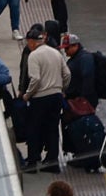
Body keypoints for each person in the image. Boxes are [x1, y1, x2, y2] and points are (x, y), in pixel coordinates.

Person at [21, 28, 70, 173]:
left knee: (34, 129)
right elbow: (67, 74)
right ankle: (53, 162)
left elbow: (35, 79)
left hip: (40, 98)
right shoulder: (56, 52)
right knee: (52, 129)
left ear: (31, 41)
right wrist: (62, 89)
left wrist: (27, 94)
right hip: (56, 97)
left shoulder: (34, 55)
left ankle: (32, 162)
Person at [61, 33, 97, 108]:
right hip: (74, 98)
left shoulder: (85, 58)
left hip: (81, 101)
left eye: (67, 48)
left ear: (76, 46)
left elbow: (88, 78)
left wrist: (83, 100)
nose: (65, 51)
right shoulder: (75, 58)